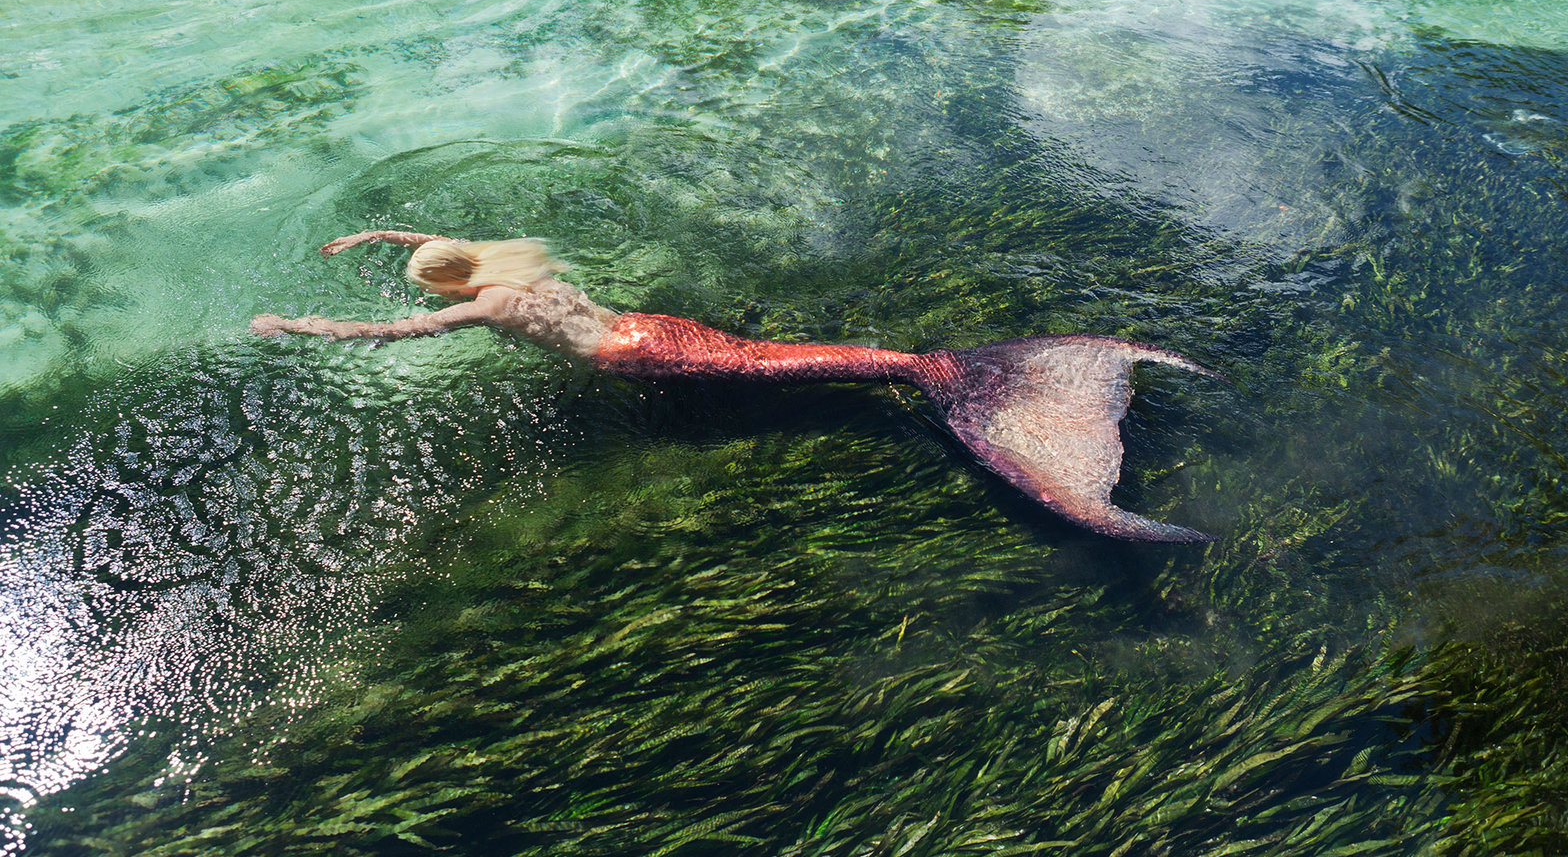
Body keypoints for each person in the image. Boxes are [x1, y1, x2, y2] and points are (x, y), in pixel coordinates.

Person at [254, 231, 1220, 542]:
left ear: (447, 288)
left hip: (635, 360)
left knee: (773, 367)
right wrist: (378, 234)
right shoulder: (516, 272)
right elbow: (444, 245)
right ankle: (949, 374)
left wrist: (293, 324)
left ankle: (952, 379)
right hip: (649, 329)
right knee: (757, 354)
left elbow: (383, 330)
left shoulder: (483, 308)